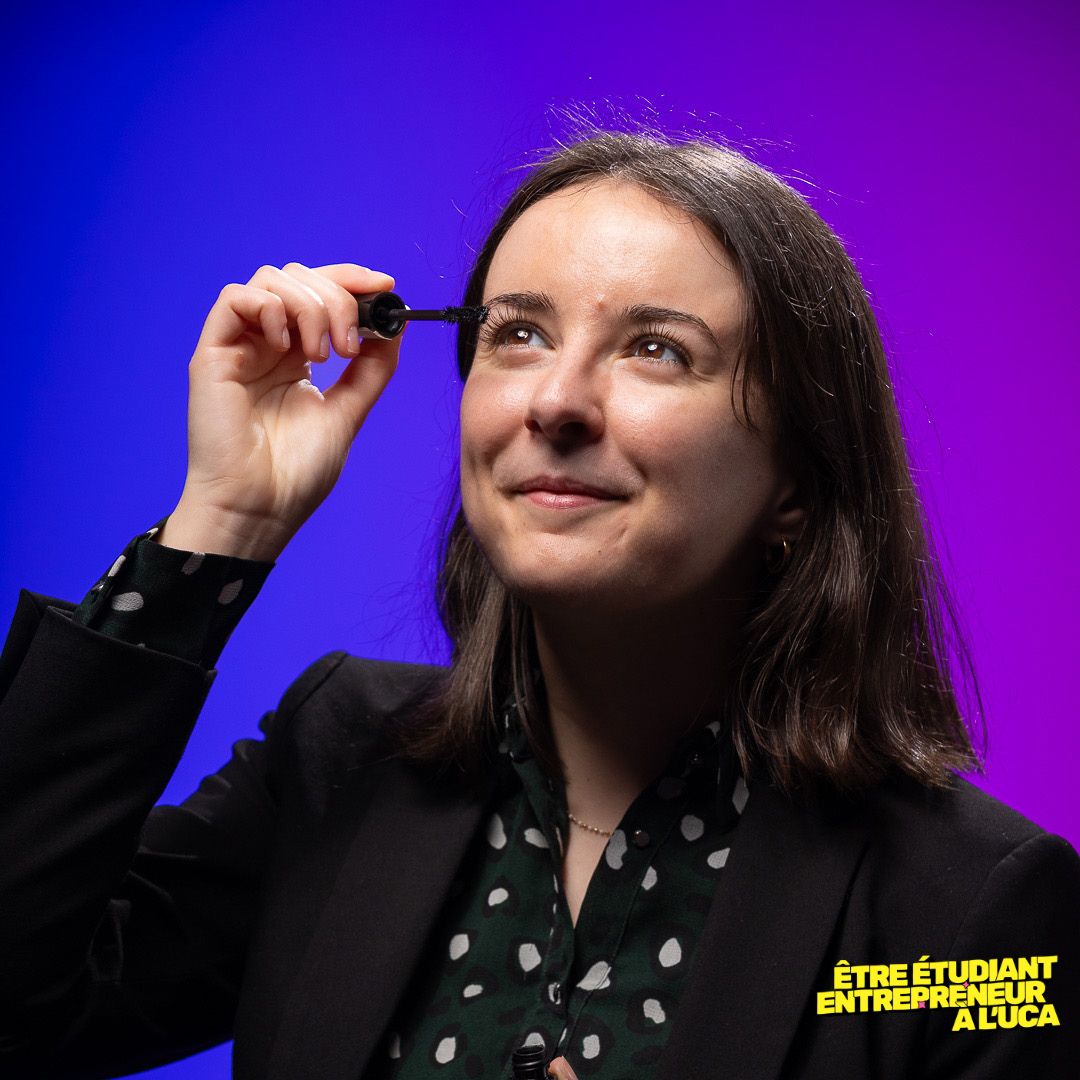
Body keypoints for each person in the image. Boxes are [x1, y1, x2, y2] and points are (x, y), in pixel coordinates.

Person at [0, 128, 1077, 1080]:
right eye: (518, 334)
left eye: (656, 349)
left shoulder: (979, 916)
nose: (557, 402)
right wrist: (225, 520)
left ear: (795, 478)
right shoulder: (337, 757)